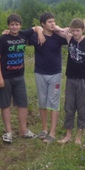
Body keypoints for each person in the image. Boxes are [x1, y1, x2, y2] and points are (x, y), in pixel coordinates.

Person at [0, 13, 44, 143]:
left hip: (19, 76)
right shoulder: (3, 39)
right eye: (12, 25)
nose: (14, 27)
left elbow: (37, 27)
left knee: (23, 103)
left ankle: (23, 130)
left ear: (20, 25)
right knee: (5, 104)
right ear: (8, 26)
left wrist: (40, 34)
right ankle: (8, 132)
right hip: (5, 76)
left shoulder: (23, 35)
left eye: (16, 24)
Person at [28, 12, 68, 144]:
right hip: (40, 73)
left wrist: (59, 28)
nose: (52, 24)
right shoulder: (36, 37)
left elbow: (71, 33)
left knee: (54, 103)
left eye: (53, 21)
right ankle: (44, 129)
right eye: (49, 22)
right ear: (43, 24)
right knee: (42, 102)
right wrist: (39, 31)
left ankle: (52, 132)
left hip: (55, 74)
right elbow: (24, 33)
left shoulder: (58, 37)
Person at [58, 18, 85, 145]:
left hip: (84, 81)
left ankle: (79, 136)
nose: (75, 33)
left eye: (78, 30)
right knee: (69, 107)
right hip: (70, 79)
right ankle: (68, 135)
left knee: (82, 108)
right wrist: (67, 29)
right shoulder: (69, 38)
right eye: (73, 30)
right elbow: (55, 29)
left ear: (82, 30)